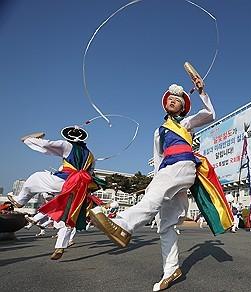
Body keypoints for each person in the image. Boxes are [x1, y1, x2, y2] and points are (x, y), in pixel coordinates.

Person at [90, 77, 217, 291]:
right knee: (166, 224)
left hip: (184, 166)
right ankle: (171, 270)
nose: (173, 101)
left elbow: (211, 115)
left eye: (178, 100)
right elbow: (158, 159)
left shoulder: (186, 123)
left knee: (155, 195)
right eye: (171, 99)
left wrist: (202, 92)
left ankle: (123, 225)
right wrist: (154, 181)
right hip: (168, 170)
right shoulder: (158, 132)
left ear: (183, 107)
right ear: (166, 103)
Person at [9, 127, 105, 260]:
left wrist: (30, 139)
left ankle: (20, 201)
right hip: (80, 187)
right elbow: (90, 174)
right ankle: (60, 246)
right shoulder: (91, 155)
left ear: (68, 137)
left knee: (36, 177)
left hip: (65, 181)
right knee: (68, 216)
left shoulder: (67, 145)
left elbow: (46, 145)